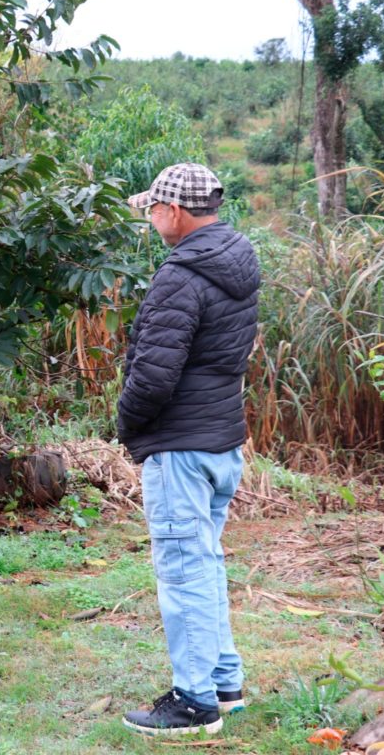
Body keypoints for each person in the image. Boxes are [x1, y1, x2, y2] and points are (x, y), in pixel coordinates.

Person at [115, 163, 260, 736]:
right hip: (221, 440)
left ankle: (194, 704)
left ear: (173, 212)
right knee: (204, 563)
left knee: (184, 572)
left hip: (181, 445)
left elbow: (152, 376)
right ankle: (224, 686)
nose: (151, 217)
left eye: (153, 208)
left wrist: (129, 428)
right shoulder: (237, 260)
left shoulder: (181, 275)